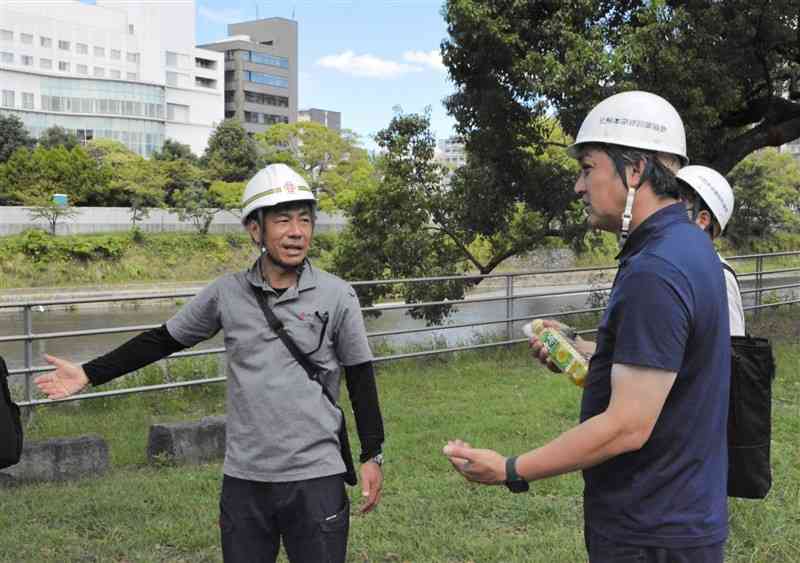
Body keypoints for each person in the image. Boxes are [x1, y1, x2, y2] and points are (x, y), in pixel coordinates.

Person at [35, 163, 386, 563]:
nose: (296, 231)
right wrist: (88, 373)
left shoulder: (337, 295)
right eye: (283, 220)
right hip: (245, 477)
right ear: (255, 229)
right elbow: (162, 340)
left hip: (316, 474)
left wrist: (372, 455)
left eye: (305, 220)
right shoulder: (226, 294)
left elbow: (360, 375)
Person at [443, 91, 731, 562]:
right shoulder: (687, 246)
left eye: (587, 168)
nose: (579, 186)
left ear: (634, 170)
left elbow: (627, 427)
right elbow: (667, 361)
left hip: (649, 529)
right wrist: (577, 347)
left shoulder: (655, 268)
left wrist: (512, 469)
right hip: (677, 515)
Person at [676, 165, 745, 335]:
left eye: (677, 205)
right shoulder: (672, 266)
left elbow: (734, 350)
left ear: (702, 219)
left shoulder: (720, 277)